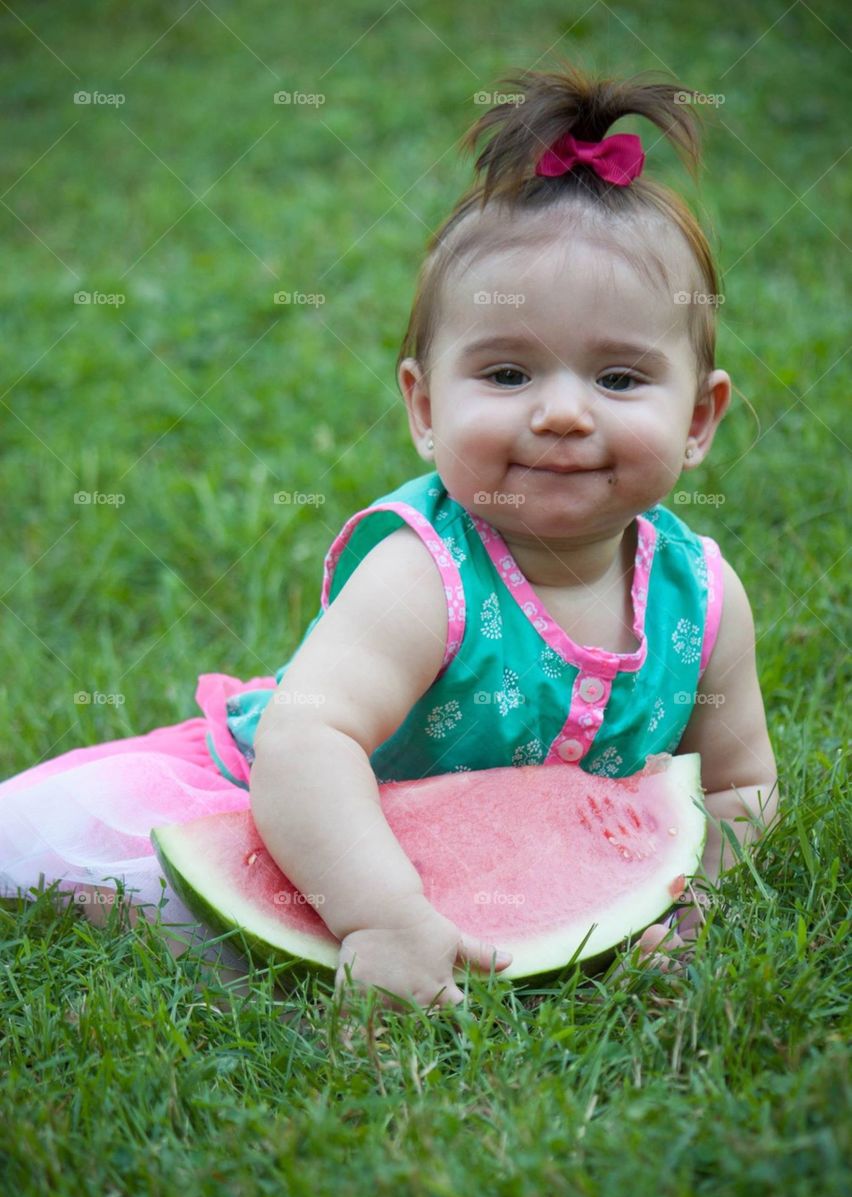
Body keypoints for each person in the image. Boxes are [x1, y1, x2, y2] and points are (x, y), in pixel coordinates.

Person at [0, 61, 777, 1010]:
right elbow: (306, 743)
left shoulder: (702, 599)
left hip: (499, 860)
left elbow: (739, 789)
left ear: (700, 418)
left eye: (619, 380)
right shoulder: (426, 574)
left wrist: (685, 896)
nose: (564, 413)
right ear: (423, 406)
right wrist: (377, 915)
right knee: (137, 891)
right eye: (505, 375)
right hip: (306, 820)